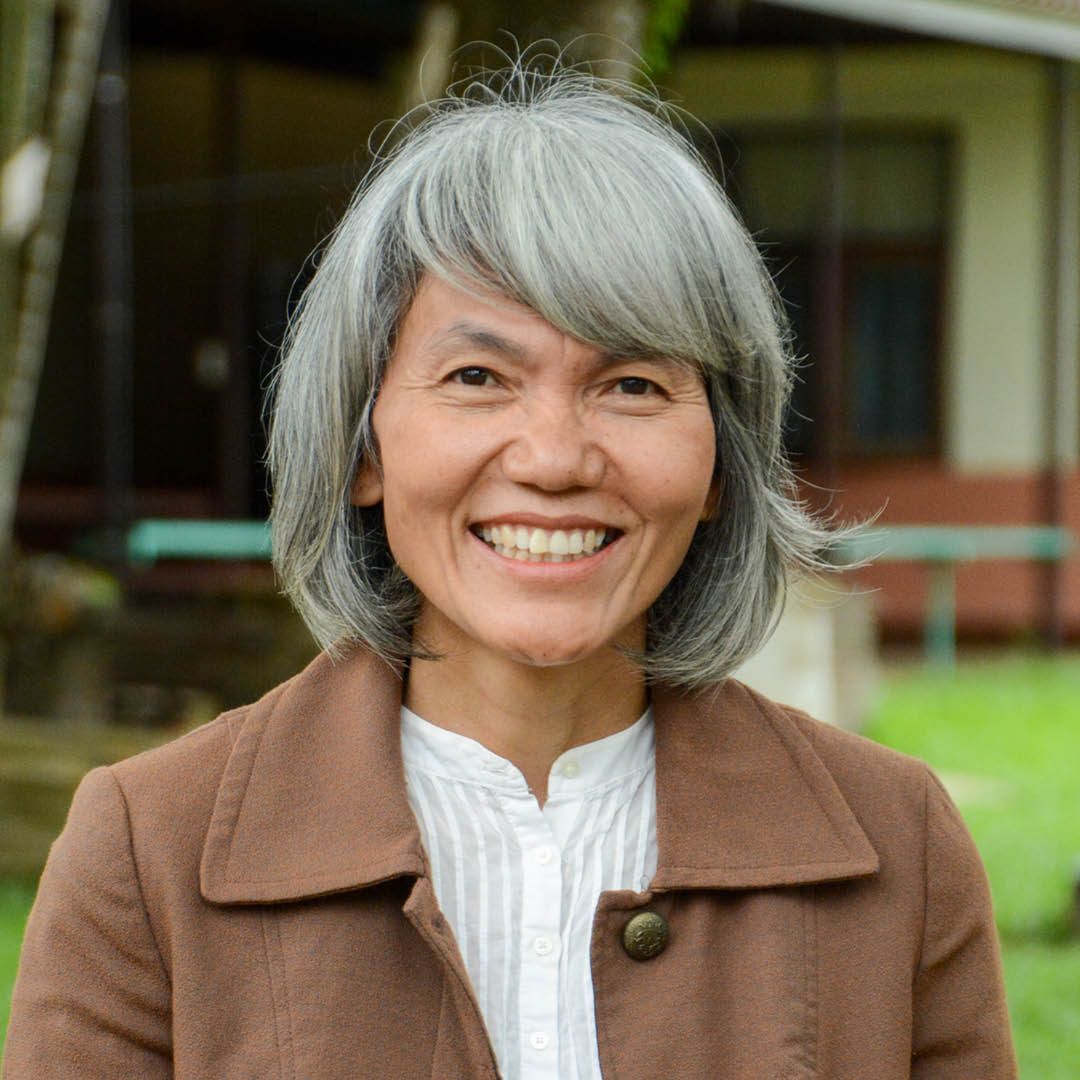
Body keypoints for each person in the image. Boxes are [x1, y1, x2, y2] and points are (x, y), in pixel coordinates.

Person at [4, 58, 1016, 1079]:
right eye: (477, 377)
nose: (553, 458)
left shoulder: (898, 850)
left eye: (630, 383)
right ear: (363, 448)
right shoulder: (147, 851)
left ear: (723, 461)